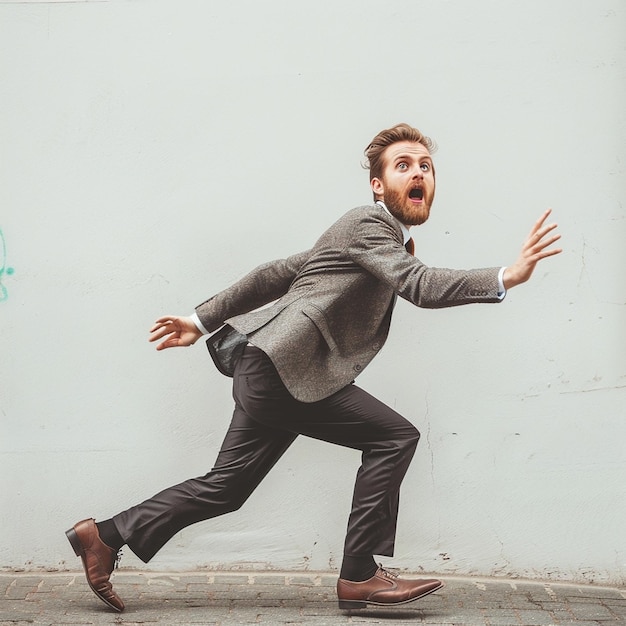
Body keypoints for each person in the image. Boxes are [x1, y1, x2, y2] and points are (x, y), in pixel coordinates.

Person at [66, 123, 562, 613]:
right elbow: (421, 286)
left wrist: (201, 319)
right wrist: (506, 276)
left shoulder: (371, 236)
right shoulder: (370, 225)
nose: (418, 173)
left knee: (227, 487)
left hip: (270, 367)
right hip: (284, 369)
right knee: (394, 437)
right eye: (403, 165)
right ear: (378, 184)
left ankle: (104, 537)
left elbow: (276, 273)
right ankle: (359, 576)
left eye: (426, 166)